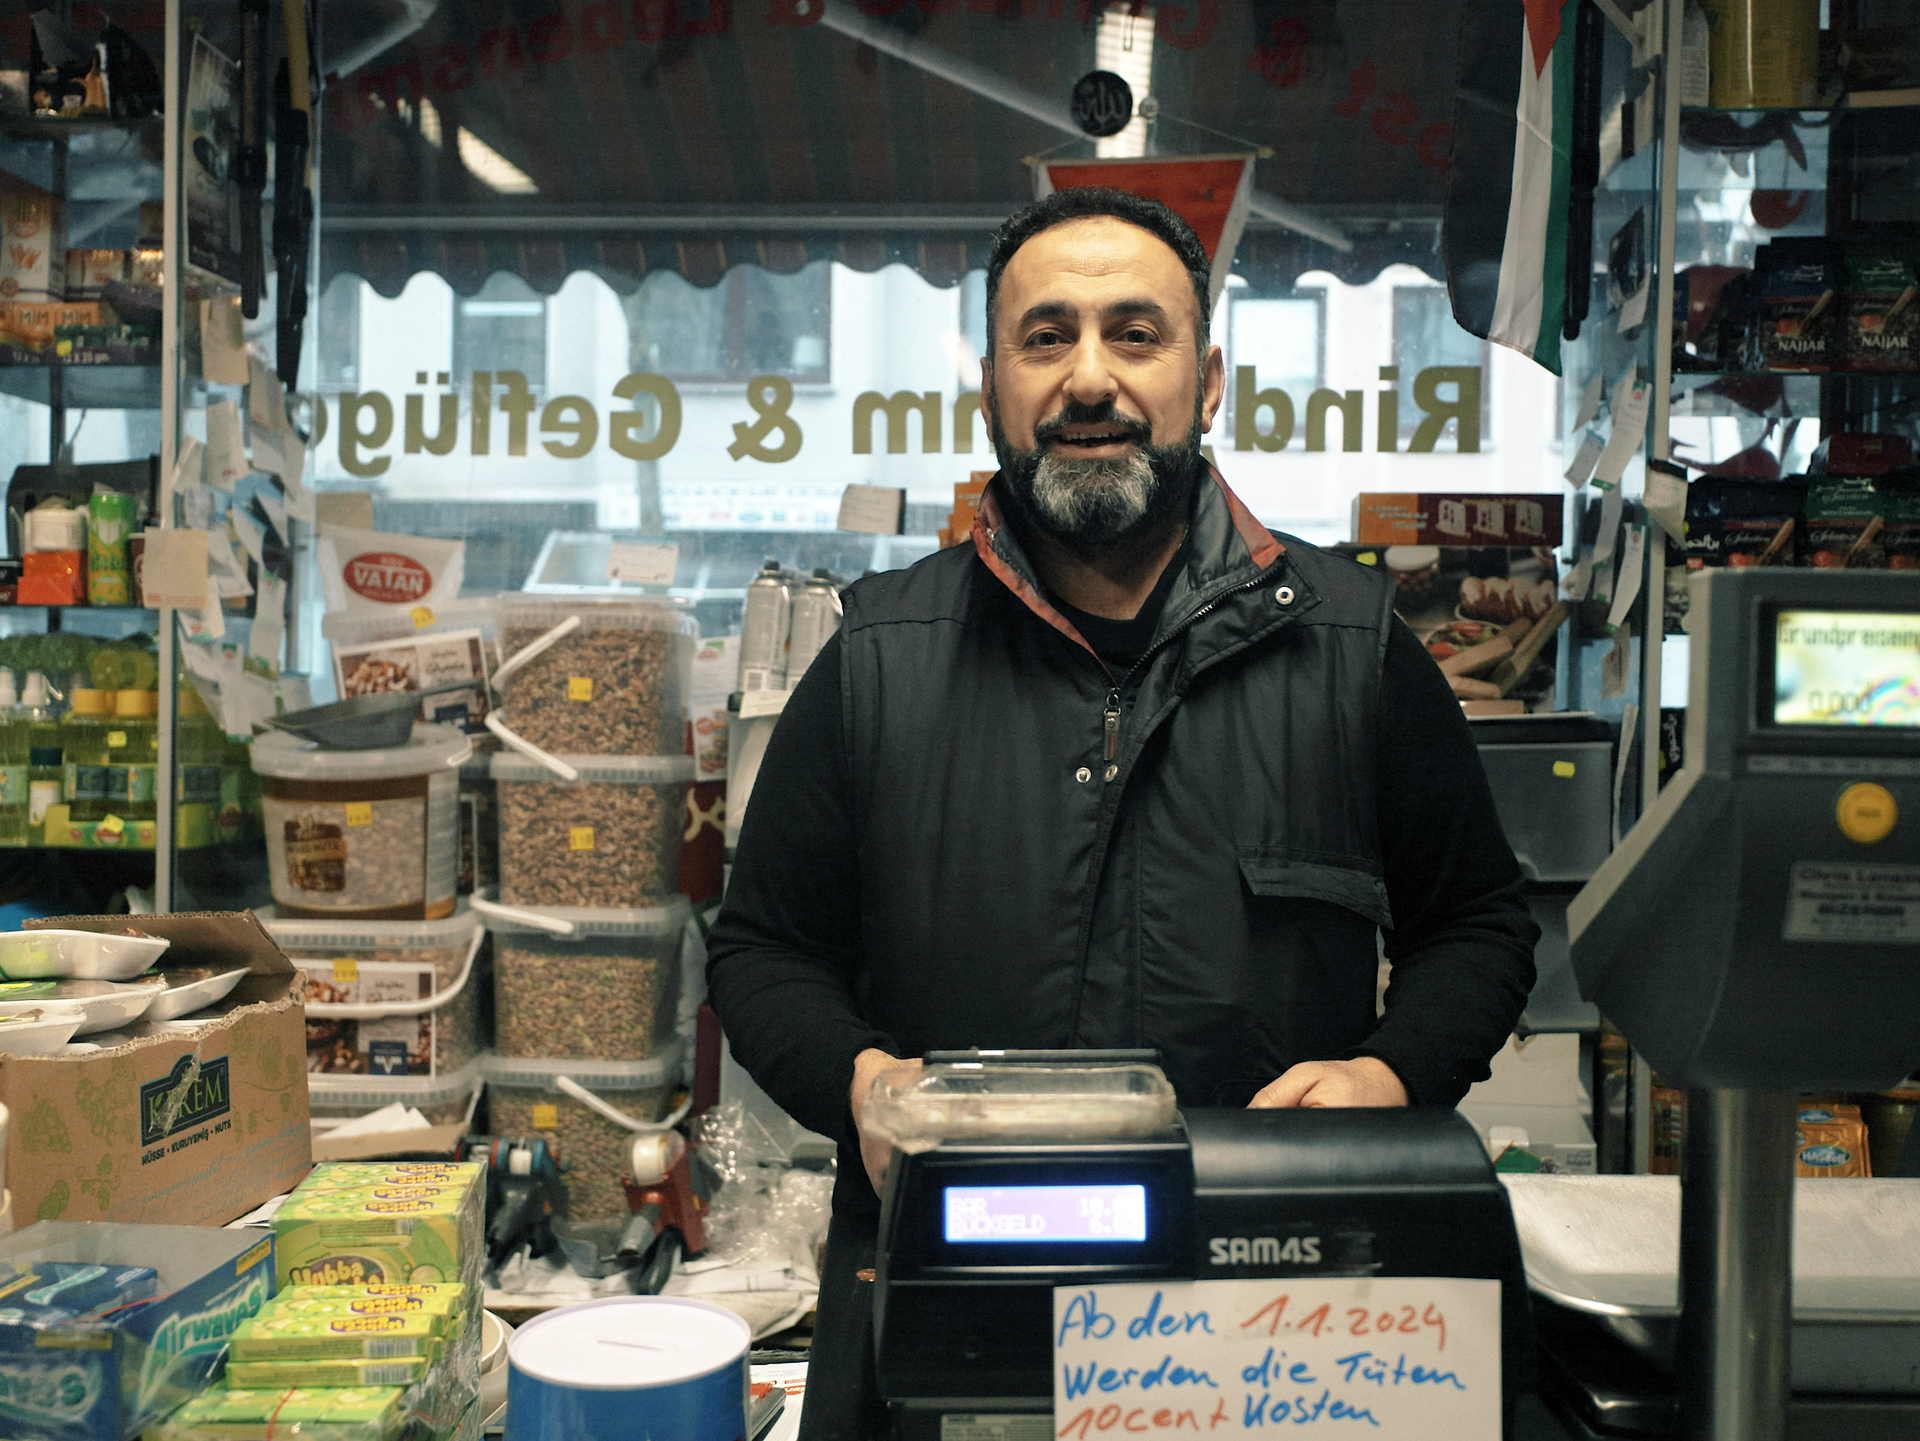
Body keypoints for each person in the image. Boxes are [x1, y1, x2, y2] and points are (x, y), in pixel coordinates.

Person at [705, 186, 1538, 1438]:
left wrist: (1391, 1070)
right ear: (993, 384)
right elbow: (763, 951)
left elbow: (1477, 924)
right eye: (1047, 338)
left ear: (1207, 383)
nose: (1088, 377)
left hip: (1267, 1329)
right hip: (943, 1318)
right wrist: (863, 1080)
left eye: (1134, 335)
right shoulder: (878, 655)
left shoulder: (1355, 647)